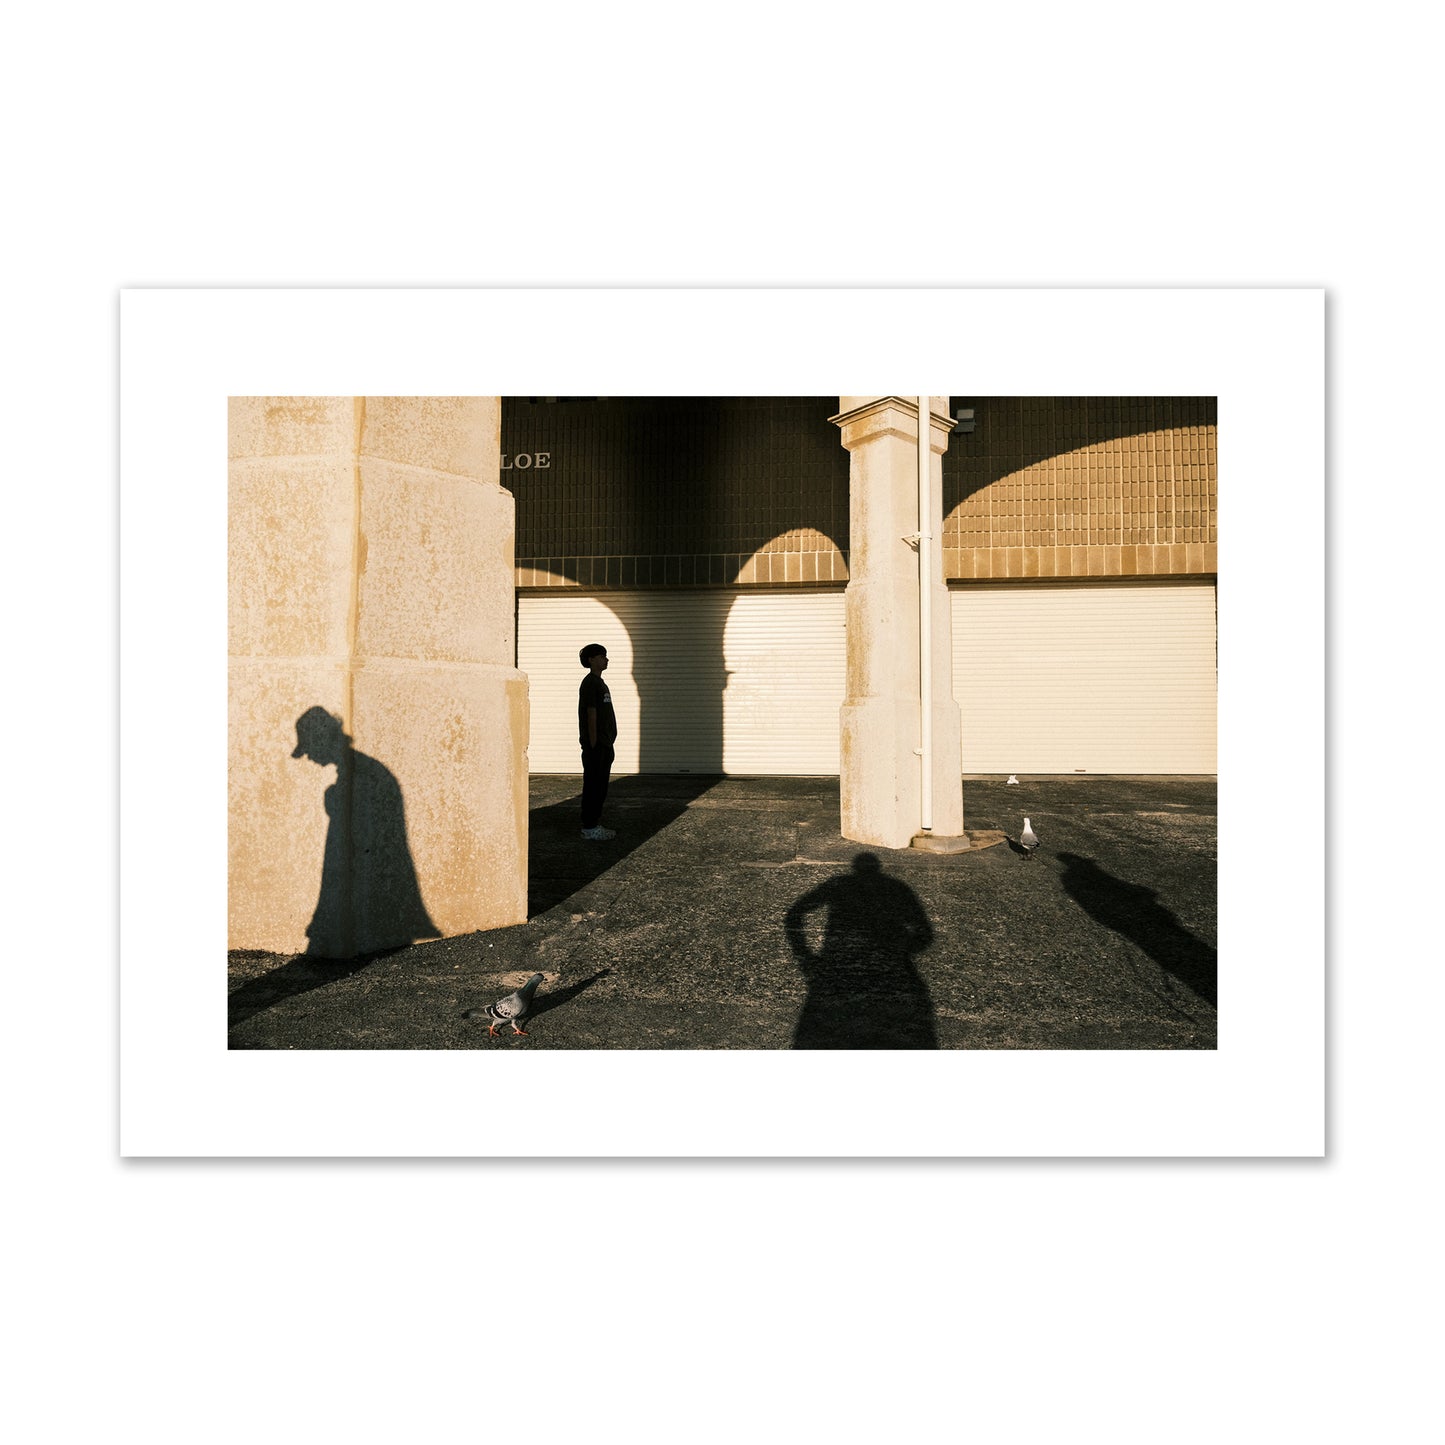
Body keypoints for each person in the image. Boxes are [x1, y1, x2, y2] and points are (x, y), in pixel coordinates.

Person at [577, 643, 617, 840]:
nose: (606, 659)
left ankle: (594, 823)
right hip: (597, 746)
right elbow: (591, 714)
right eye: (602, 656)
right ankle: (590, 827)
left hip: (604, 744)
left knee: (600, 786)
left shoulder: (600, 683)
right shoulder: (590, 683)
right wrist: (594, 744)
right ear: (591, 660)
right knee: (594, 786)